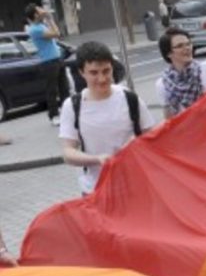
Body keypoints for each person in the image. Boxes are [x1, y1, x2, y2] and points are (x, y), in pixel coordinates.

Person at [58, 42, 156, 194]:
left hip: (136, 186)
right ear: (82, 72)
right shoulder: (72, 106)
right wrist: (96, 159)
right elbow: (68, 153)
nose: (102, 78)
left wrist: (136, 142)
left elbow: (153, 136)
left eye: (106, 71)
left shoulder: (130, 98)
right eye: (94, 73)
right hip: (95, 190)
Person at [155, 27, 206, 118]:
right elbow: (169, 121)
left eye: (188, 44)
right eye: (180, 46)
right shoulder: (163, 84)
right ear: (168, 53)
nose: (187, 48)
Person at [25, 3, 67, 126]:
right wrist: (49, 17)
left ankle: (66, 112)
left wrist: (47, 19)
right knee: (52, 90)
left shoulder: (41, 25)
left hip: (57, 59)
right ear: (35, 14)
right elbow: (56, 33)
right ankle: (53, 115)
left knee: (63, 87)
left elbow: (55, 34)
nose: (43, 10)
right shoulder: (34, 29)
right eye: (39, 9)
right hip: (48, 62)